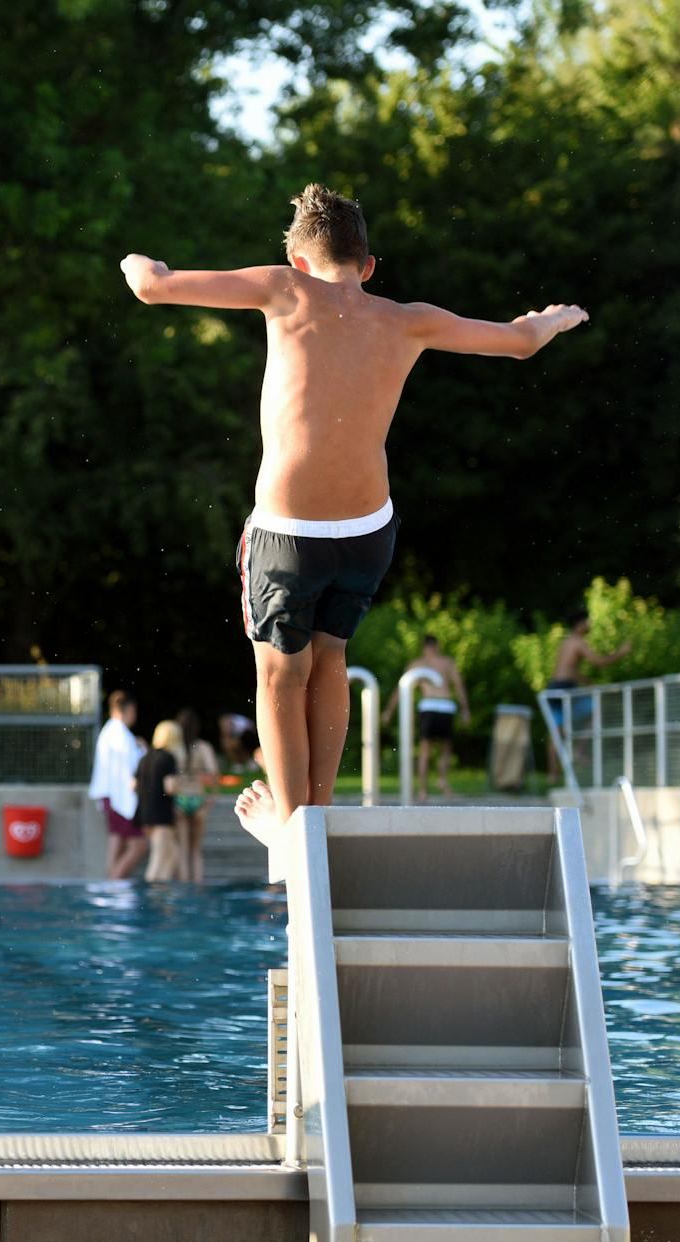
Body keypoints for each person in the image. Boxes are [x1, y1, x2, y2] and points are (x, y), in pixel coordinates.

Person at [120, 184, 588, 844]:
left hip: (287, 534)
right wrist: (552, 319)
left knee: (282, 671)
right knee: (330, 657)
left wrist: (134, 261)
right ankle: (318, 815)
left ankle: (290, 827)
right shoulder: (406, 318)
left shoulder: (286, 289)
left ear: (299, 259)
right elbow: (518, 341)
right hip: (368, 532)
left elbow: (152, 286)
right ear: (369, 266)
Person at [544, 610, 632, 778]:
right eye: (587, 622)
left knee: (556, 731)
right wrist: (621, 652)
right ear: (579, 625)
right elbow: (598, 662)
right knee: (596, 712)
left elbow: (567, 670)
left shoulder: (566, 643)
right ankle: (578, 751)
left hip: (554, 687)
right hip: (565, 688)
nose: (589, 625)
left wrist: (587, 681)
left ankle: (552, 775)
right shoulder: (578, 643)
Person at [383, 634, 469, 799]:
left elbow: (400, 690)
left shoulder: (416, 664)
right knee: (445, 748)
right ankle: (442, 779)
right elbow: (459, 686)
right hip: (446, 706)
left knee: (424, 750)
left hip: (428, 706)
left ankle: (422, 791)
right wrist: (465, 710)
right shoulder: (447, 662)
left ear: (423, 647)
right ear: (437, 646)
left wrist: (389, 711)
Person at [88, 691, 148, 878]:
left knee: (117, 841)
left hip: (110, 796)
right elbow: (130, 767)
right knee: (138, 845)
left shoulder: (110, 731)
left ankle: (112, 886)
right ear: (129, 709)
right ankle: (114, 882)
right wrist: (143, 750)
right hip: (120, 797)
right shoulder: (120, 733)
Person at [174, 709, 221, 883]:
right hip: (198, 799)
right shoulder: (203, 748)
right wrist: (209, 803)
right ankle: (198, 886)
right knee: (195, 850)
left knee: (182, 849)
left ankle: (185, 888)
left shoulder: (175, 748)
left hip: (179, 800)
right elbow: (215, 775)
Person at [137, 720, 186, 882]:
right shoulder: (168, 758)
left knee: (172, 854)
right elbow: (170, 788)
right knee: (158, 858)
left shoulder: (145, 758)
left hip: (145, 813)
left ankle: (163, 890)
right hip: (161, 814)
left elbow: (133, 785)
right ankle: (152, 897)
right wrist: (182, 783)